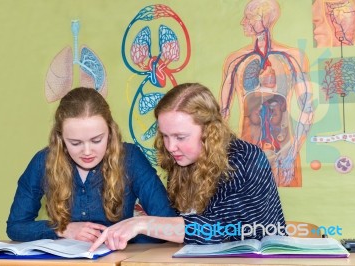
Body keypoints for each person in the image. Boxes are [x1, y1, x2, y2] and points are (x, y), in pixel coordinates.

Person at [89, 82, 286, 251]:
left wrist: (142, 223)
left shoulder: (246, 159)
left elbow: (221, 230)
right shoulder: (184, 159)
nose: (170, 146)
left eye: (180, 137)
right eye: (165, 135)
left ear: (210, 132)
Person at [6, 87, 176, 243]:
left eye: (96, 140)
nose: (87, 151)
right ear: (60, 139)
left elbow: (167, 223)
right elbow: (16, 227)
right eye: (75, 143)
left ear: (110, 132)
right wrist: (62, 229)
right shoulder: (43, 162)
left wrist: (127, 236)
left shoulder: (130, 157)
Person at [220, 0, 314, 187]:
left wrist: (293, 152)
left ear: (264, 19)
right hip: (247, 150)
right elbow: (222, 114)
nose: (242, 22)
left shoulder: (292, 57)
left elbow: (307, 107)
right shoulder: (235, 60)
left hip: (285, 150)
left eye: (249, 17)